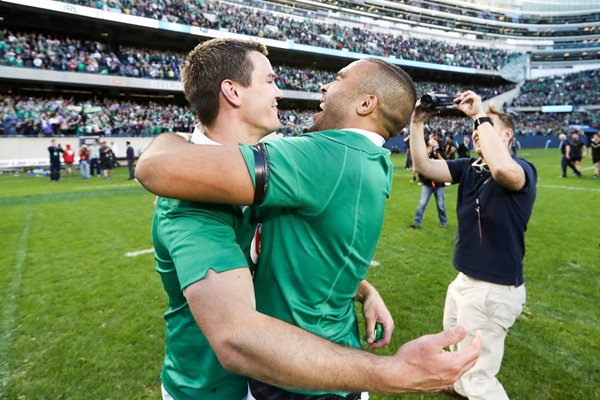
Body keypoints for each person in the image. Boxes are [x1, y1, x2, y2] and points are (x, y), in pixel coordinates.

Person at [137, 39, 480, 400]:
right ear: (232, 92)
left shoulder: (288, 167)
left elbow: (286, 252)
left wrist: (362, 289)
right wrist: (395, 371)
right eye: (269, 81)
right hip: (211, 390)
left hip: (265, 382)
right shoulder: (191, 199)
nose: (280, 92)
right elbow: (237, 337)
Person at [410, 90, 537, 400]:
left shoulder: (523, 170)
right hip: (464, 281)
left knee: (478, 379)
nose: (477, 133)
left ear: (505, 135)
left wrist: (479, 115)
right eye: (476, 129)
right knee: (457, 368)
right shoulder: (469, 167)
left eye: (486, 128)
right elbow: (424, 167)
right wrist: (416, 124)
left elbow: (503, 170)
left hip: (493, 289)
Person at [410, 133, 448, 229]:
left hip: (439, 182)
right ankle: (417, 222)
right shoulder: (425, 154)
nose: (431, 147)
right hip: (427, 183)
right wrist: (427, 152)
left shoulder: (441, 153)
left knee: (440, 205)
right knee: (422, 203)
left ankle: (443, 221)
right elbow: (419, 164)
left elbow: (446, 164)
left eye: (433, 145)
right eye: (430, 145)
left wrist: (437, 154)